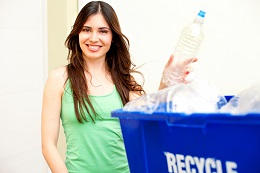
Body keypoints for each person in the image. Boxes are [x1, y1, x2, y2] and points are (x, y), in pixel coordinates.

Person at [41, 1, 196, 173]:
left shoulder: (124, 81)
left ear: (112, 37)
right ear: (77, 32)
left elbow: (151, 114)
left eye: (103, 31)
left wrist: (168, 78)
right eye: (86, 29)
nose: (93, 38)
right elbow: (48, 145)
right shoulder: (59, 79)